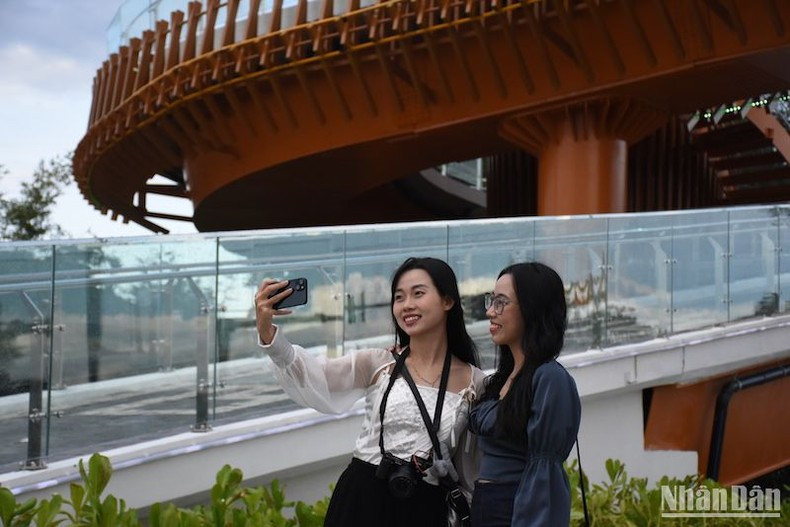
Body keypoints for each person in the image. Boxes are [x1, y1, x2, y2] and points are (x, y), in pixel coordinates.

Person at [255, 257, 486, 527]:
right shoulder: (378, 363)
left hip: (424, 508)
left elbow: (469, 472)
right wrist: (268, 332)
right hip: (362, 499)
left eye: (418, 293)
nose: (407, 305)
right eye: (399, 297)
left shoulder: (475, 382)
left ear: (448, 301)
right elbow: (310, 374)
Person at [468, 262, 581, 527]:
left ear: (532, 309)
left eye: (501, 302)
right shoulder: (499, 379)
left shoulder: (550, 378)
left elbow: (545, 476)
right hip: (486, 505)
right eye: (491, 300)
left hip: (517, 508)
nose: (489, 311)